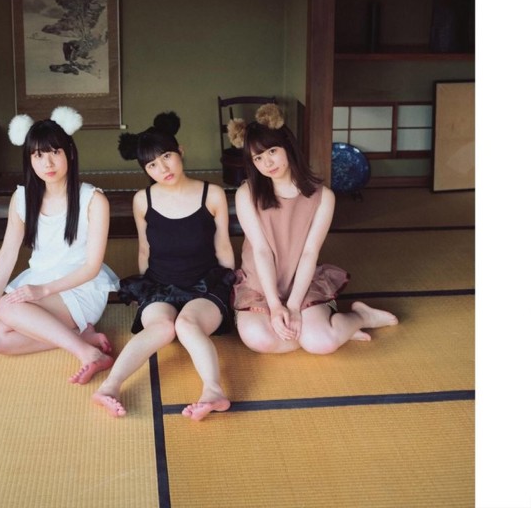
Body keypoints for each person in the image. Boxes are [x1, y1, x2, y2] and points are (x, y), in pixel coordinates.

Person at [0, 106, 119, 385]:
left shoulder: (94, 200)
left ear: (69, 152)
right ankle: (78, 337)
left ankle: (89, 353)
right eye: (38, 155)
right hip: (39, 283)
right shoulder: (21, 199)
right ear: (29, 159)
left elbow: (92, 267)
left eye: (54, 152)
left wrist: (42, 290)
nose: (48, 163)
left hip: (79, 288)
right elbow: (7, 254)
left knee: (7, 308)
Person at [92, 112, 235, 421]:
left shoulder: (213, 194)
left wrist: (233, 283)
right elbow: (145, 247)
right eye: (152, 165)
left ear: (180, 151)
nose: (162, 169)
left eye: (167, 157)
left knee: (187, 325)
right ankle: (110, 386)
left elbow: (223, 245)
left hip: (205, 285)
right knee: (162, 326)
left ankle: (213, 391)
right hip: (160, 283)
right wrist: (146, 292)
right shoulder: (142, 199)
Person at [231, 104, 398, 355]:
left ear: (288, 146)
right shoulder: (246, 194)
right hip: (260, 284)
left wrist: (295, 306)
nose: (267, 163)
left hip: (301, 281)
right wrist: (276, 307)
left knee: (322, 344)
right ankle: (325, 329)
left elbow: (309, 253)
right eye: (258, 158)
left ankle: (360, 317)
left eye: (272, 151)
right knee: (260, 340)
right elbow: (262, 251)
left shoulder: (324, 197)